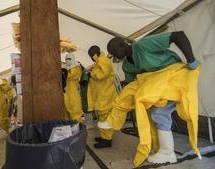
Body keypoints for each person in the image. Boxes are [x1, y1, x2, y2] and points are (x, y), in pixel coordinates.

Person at [106, 31, 200, 163]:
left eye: (116, 53)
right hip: (156, 86)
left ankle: (167, 152)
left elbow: (178, 35)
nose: (116, 57)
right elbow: (133, 83)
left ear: (123, 45)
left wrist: (191, 60)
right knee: (153, 115)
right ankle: (160, 148)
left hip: (173, 76)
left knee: (159, 113)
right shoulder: (126, 65)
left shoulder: (143, 45)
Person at [87, 45, 117, 148]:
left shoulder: (104, 61)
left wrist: (91, 74)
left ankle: (107, 139)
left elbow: (101, 75)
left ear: (94, 54)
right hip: (101, 95)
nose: (91, 58)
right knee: (102, 116)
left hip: (105, 96)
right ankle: (104, 136)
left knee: (105, 117)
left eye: (91, 55)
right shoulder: (99, 61)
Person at [63, 53, 84, 122]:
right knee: (66, 114)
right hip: (66, 93)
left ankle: (79, 128)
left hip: (73, 94)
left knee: (75, 113)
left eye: (69, 59)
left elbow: (71, 76)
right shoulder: (65, 68)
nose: (67, 60)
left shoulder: (76, 67)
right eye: (66, 59)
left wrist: (63, 73)